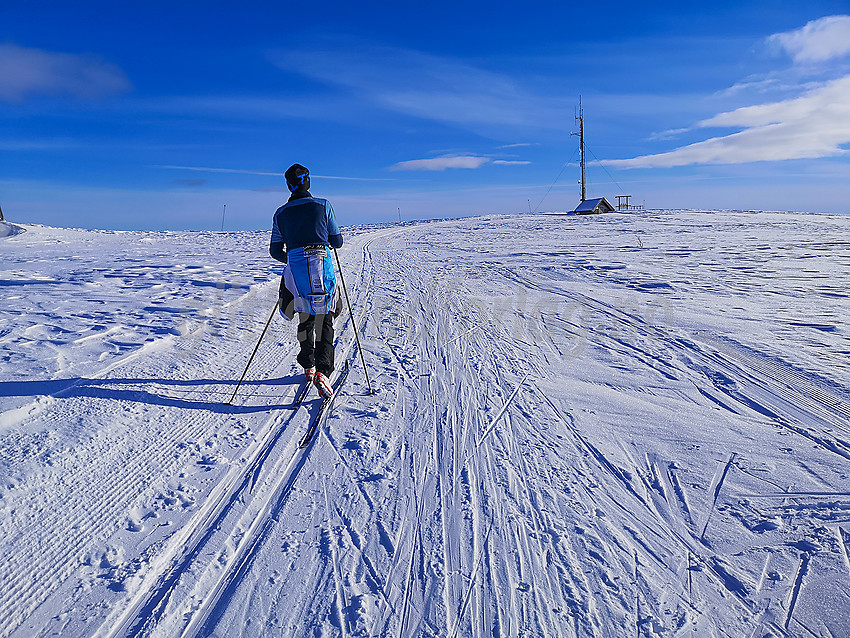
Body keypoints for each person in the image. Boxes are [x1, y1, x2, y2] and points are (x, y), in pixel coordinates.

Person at [270, 164, 343, 398]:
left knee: (305, 316)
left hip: (297, 270)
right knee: (325, 318)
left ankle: (308, 365)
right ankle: (323, 370)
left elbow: (274, 250)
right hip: (321, 265)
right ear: (308, 181)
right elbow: (337, 241)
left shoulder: (280, 213)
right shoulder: (323, 205)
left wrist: (291, 258)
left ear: (289, 185)